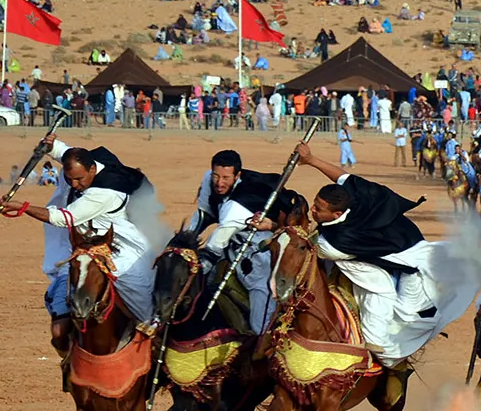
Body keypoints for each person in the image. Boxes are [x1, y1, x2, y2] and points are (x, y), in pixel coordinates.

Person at [251, 143, 481, 365]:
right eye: (314, 205)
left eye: (318, 210)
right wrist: (311, 160)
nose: (313, 211)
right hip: (387, 248)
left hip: (402, 262)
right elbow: (343, 178)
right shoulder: (357, 196)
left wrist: (273, 226)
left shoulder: (335, 243)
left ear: (337, 213)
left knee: (386, 310)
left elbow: (304, 243)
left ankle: (382, 357)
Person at [4, 137, 162, 359]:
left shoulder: (104, 192)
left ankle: (155, 336)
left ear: (92, 169)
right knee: (66, 293)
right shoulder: (90, 162)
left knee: (139, 290)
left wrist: (24, 207)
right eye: (70, 180)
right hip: (82, 245)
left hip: (118, 247)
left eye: (79, 179)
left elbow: (64, 218)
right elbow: (67, 154)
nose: (76, 185)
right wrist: (52, 146)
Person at [192, 150, 282, 333]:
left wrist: (200, 266)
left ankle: (263, 340)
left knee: (259, 311)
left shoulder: (238, 204)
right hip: (230, 246)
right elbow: (203, 215)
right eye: (216, 175)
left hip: (256, 253)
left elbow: (218, 241)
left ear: (237, 175)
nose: (219, 182)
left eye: (226, 177)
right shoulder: (209, 179)